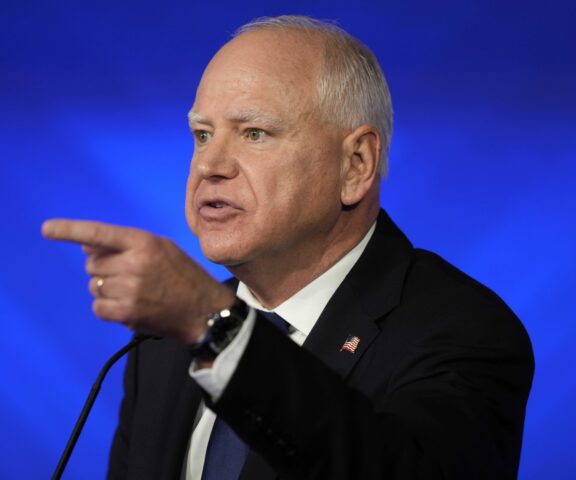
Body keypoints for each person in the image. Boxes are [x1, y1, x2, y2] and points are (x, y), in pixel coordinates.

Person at [43, 15, 533, 480]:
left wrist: (218, 331)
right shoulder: (165, 346)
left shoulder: (463, 331)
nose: (210, 165)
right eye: (202, 134)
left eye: (254, 133)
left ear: (356, 165)